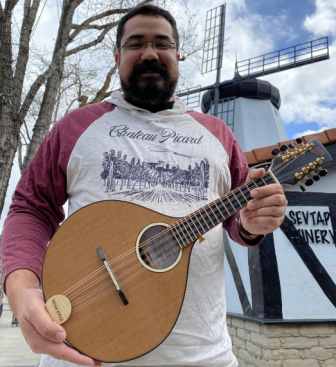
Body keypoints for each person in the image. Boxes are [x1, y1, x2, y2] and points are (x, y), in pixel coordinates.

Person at [1, 5, 287, 367]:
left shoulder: (218, 135)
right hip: (81, 352)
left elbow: (236, 218)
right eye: (136, 43)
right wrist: (22, 289)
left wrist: (251, 222)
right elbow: (30, 208)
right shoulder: (76, 127)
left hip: (203, 356)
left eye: (162, 44)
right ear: (118, 56)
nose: (150, 52)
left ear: (178, 56)